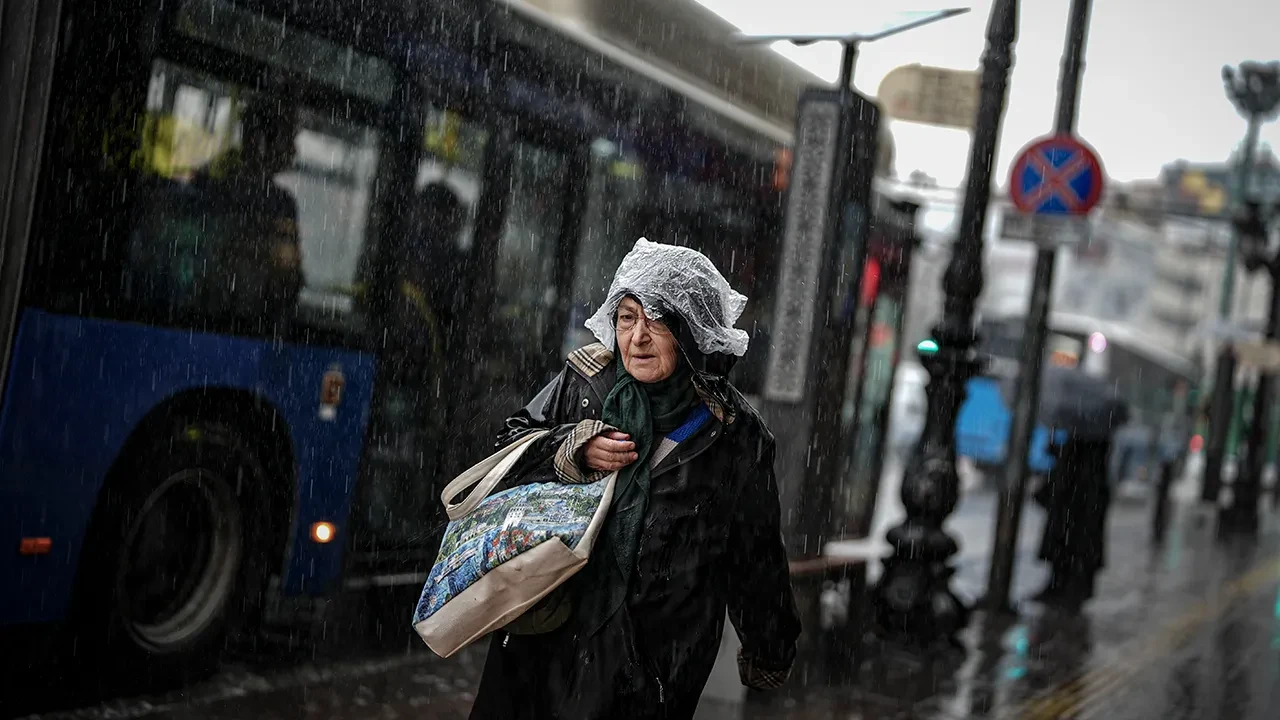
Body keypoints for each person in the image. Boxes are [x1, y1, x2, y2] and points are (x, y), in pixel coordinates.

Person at [469, 238, 800, 720]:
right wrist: (570, 447)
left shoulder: (734, 436)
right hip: (544, 641)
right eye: (626, 317)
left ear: (692, 330)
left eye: (657, 321)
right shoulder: (588, 383)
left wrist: (769, 646)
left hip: (652, 666)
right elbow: (508, 450)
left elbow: (756, 552)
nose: (637, 337)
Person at [1033, 338, 1130, 612]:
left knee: (1070, 544)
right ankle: (1064, 587)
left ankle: (1065, 589)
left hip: (1077, 500)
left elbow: (1075, 466)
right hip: (1079, 500)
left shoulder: (1089, 437)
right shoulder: (1092, 434)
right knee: (1070, 545)